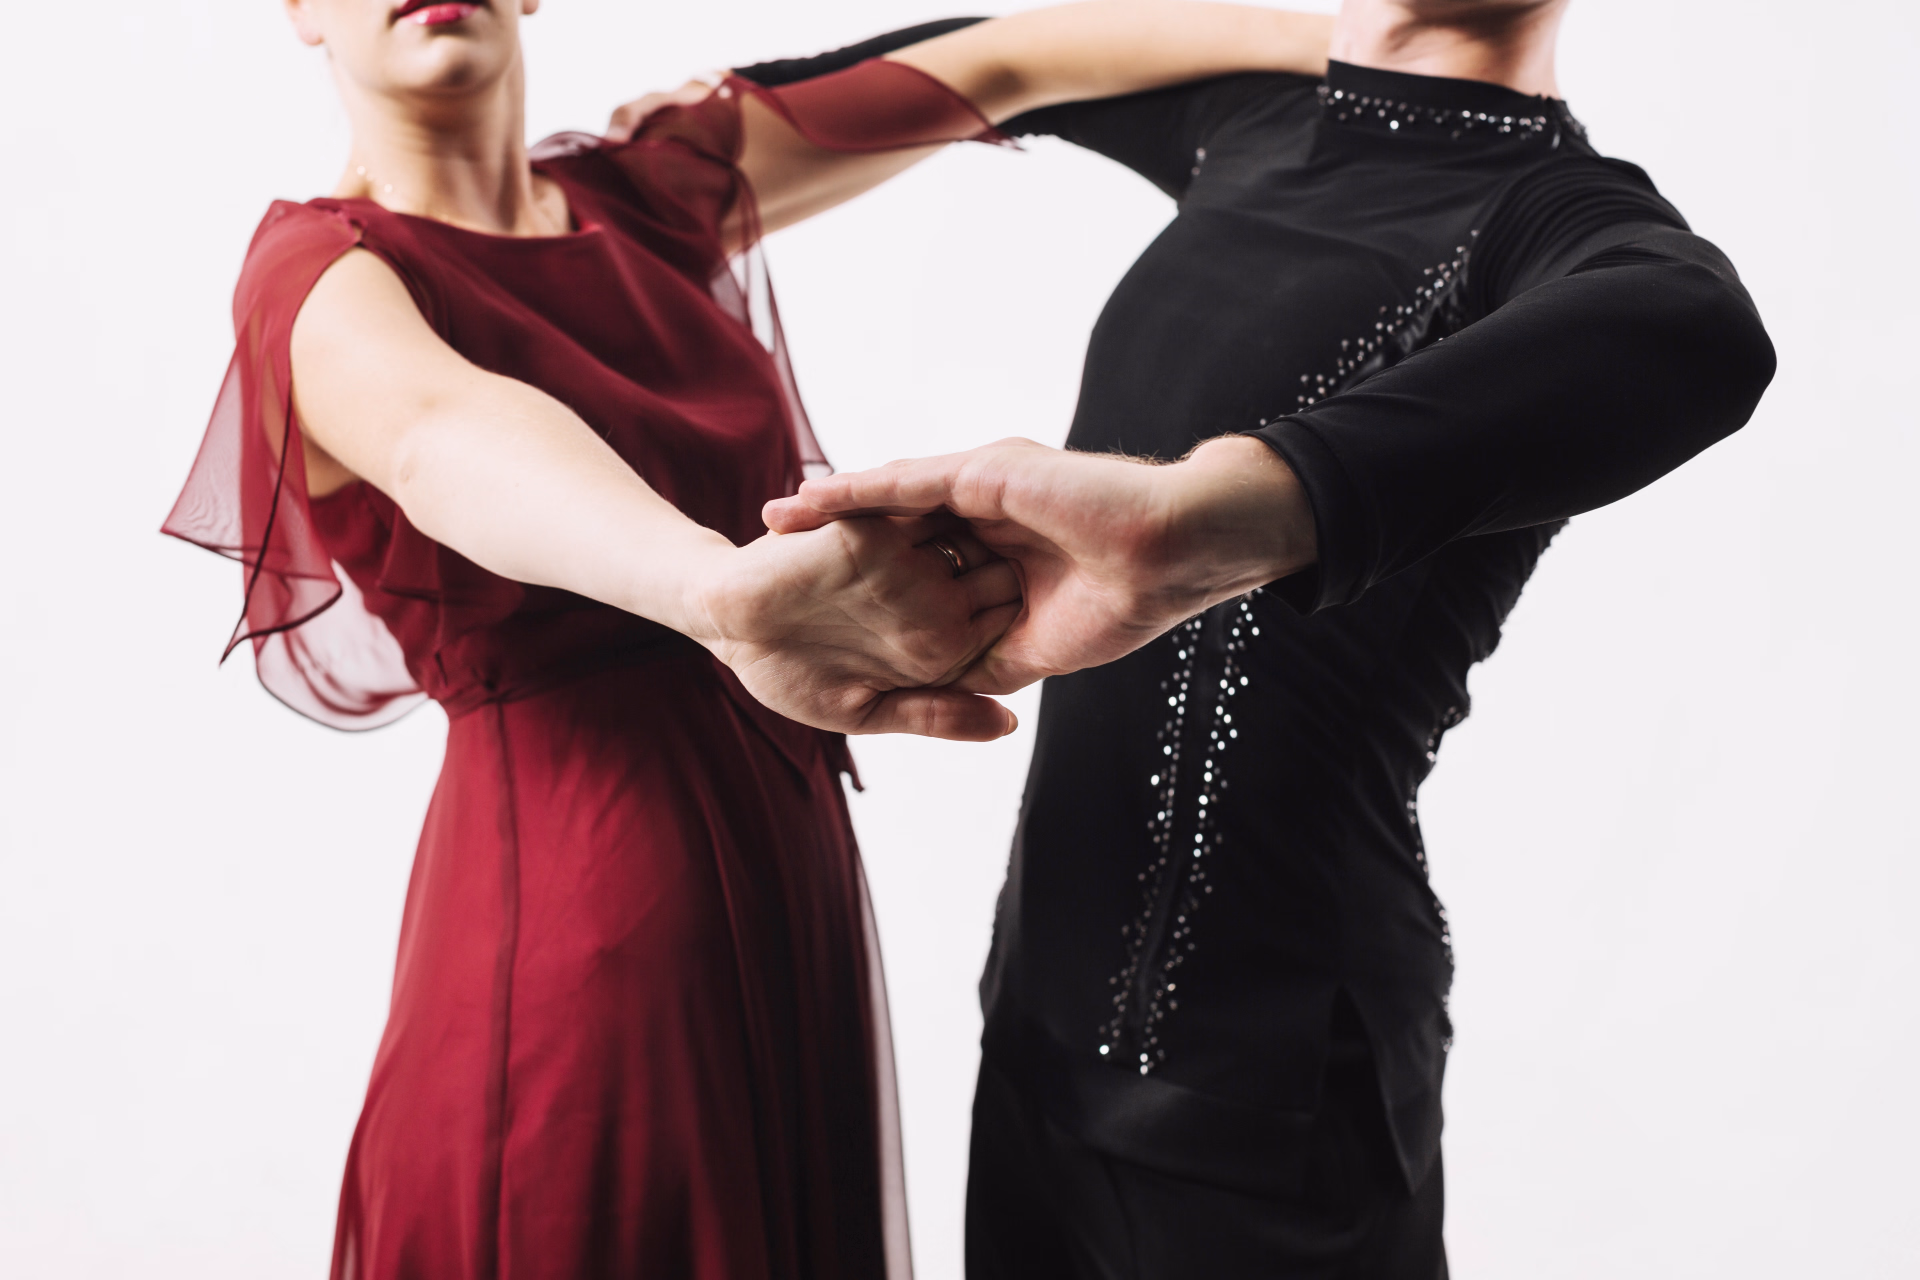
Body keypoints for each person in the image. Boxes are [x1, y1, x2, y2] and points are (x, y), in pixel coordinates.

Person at [160, 2, 1335, 1276]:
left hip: (789, 861)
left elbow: (1007, 58)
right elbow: (436, 435)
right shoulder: (318, 273)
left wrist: (1379, 46)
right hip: (583, 896)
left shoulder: (653, 188)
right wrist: (719, 591)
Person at [751, 2, 1777, 1275]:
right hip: (1034, 1024)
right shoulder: (1250, 122)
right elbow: (959, 65)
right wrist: (642, 158)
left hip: (1272, 1081)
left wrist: (1221, 510)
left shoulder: (1545, 209)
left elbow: (1697, 326)